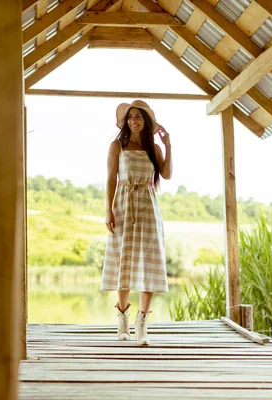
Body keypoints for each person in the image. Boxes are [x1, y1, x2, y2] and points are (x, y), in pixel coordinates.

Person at [100, 100, 172, 346]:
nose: (134, 120)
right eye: (130, 116)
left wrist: (168, 145)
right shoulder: (117, 146)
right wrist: (108, 210)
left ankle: (142, 323)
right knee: (124, 259)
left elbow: (167, 174)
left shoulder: (154, 149)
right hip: (123, 203)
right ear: (125, 121)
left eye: (138, 116)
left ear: (146, 121)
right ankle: (122, 319)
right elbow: (111, 178)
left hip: (148, 206)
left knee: (148, 261)